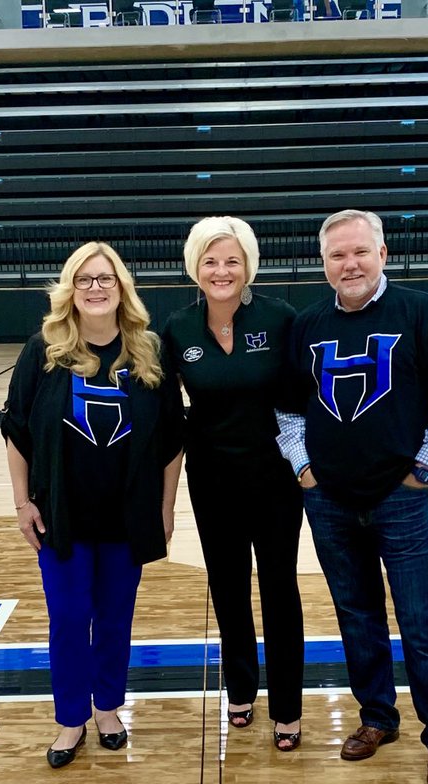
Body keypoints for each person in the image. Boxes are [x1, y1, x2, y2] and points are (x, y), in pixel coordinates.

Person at [276, 209, 428, 784]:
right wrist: (306, 472)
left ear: (383, 254)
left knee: (419, 620)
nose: (351, 264)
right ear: (324, 264)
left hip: (402, 498)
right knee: (357, 616)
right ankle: (377, 718)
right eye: (338, 255)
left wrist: (422, 471)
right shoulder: (307, 324)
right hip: (330, 501)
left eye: (361, 252)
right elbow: (287, 411)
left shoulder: (422, 313)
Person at [1, 242, 184, 769]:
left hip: (127, 517)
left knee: (114, 619)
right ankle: (69, 719)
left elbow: (173, 439)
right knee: (68, 617)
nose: (96, 288)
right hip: (63, 514)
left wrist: (166, 507)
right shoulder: (44, 350)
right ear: (70, 291)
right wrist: (21, 503)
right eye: (85, 280)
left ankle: (107, 710)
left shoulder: (149, 351)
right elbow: (16, 432)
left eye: (106, 278)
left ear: (122, 287)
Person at [161, 217, 305, 752]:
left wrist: (308, 464)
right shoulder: (177, 328)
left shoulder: (280, 318)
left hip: (274, 477)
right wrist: (162, 498)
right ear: (195, 267)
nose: (221, 271)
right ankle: (240, 688)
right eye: (211, 261)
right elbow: (164, 415)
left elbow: (301, 399)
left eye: (232, 260)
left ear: (249, 266)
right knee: (226, 586)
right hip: (212, 477)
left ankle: (288, 705)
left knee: (279, 588)